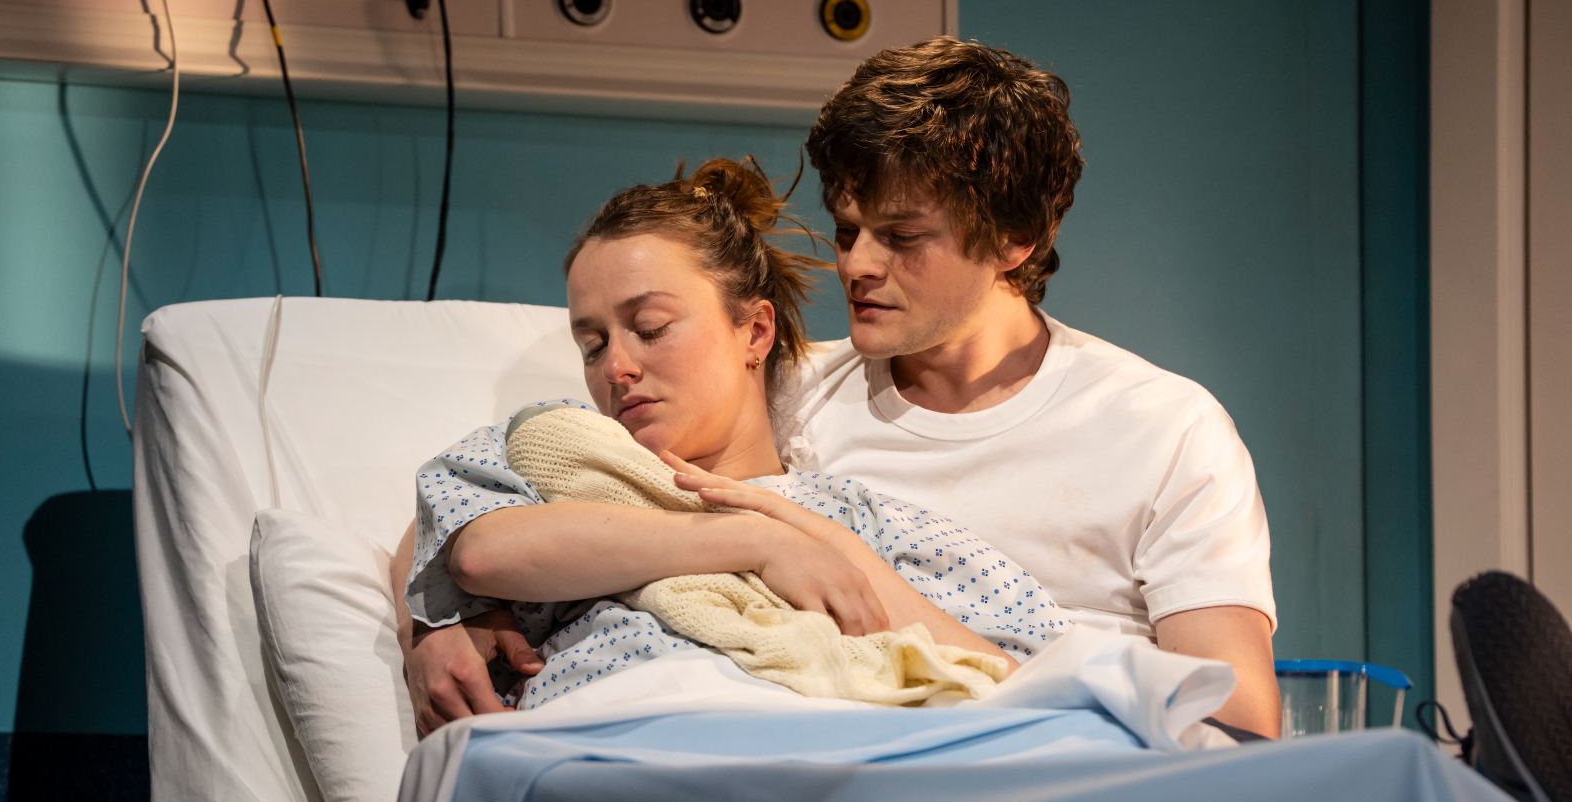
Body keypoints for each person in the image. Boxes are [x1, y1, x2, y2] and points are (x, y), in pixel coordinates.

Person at [401, 37, 1281, 738]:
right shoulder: (783, 385)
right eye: (849, 228)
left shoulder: (1162, 430)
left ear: (1015, 238)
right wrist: (434, 629)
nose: (856, 265)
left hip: (1061, 766)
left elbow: (1236, 724)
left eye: (902, 236)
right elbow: (470, 512)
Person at [395, 159, 1069, 725]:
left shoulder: (854, 519)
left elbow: (1036, 691)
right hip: (594, 756)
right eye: (592, 345)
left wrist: (833, 552)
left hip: (806, 768)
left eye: (651, 328)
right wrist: (756, 542)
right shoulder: (557, 451)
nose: (616, 367)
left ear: (755, 331)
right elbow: (475, 552)